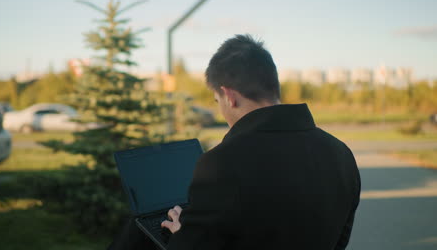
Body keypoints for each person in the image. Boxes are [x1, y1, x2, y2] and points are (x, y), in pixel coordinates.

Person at [108, 34, 361, 250]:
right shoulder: (341, 154)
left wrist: (181, 232)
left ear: (228, 95)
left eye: (216, 101)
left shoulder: (222, 163)